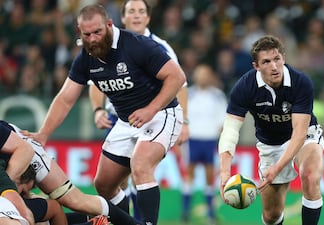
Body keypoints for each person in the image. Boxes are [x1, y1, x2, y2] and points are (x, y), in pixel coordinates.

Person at [23, 4, 186, 225]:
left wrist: (151, 109)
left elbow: (176, 77)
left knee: (140, 164)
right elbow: (65, 98)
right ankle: (125, 222)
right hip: (126, 120)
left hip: (162, 114)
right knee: (103, 184)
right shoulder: (85, 58)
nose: (92, 39)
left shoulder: (137, 45)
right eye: (86, 34)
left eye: (97, 32)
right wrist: (43, 134)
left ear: (109, 25)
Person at [88, 0, 189, 219]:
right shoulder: (106, 45)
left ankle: (141, 220)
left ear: (148, 18)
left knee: (140, 168)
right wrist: (97, 109)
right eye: (131, 11)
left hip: (154, 117)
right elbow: (93, 84)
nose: (136, 16)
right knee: (114, 181)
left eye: (141, 11)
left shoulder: (161, 47)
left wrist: (184, 123)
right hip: (118, 119)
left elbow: (179, 84)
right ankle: (126, 219)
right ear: (122, 18)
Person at [218, 35, 324, 225]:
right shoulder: (244, 87)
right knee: (272, 215)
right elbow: (230, 131)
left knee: (309, 175)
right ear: (256, 66)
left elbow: (299, 134)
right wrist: (225, 173)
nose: (274, 66)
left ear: (283, 58)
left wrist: (277, 168)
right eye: (266, 62)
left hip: (303, 136)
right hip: (270, 144)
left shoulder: (301, 82)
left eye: (277, 59)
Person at [2, 120, 131, 225]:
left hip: (22, 152)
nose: (27, 193)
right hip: (11, 169)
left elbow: (24, 150)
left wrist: (11, 193)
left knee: (74, 200)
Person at [181, 64, 227, 224]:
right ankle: (185, 212)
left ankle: (210, 213)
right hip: (192, 139)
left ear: (210, 76)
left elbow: (223, 119)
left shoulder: (218, 95)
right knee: (189, 174)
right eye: (200, 74)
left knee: (209, 176)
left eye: (205, 74)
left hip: (209, 140)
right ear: (195, 76)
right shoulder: (188, 94)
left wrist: (222, 138)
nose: (202, 77)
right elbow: (182, 116)